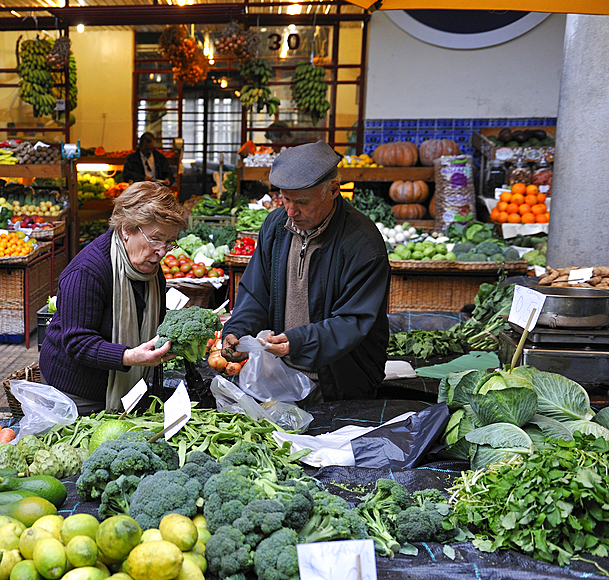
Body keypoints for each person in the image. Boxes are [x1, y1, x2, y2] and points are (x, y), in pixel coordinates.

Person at [221, 141, 390, 403]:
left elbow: (354, 321)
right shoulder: (276, 226)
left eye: (301, 202)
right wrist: (237, 330)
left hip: (340, 383)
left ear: (334, 190)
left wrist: (298, 341)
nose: (291, 211)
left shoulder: (362, 244)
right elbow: (256, 293)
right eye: (285, 199)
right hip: (281, 376)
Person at [39, 182, 186, 413]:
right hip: (76, 393)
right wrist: (130, 356)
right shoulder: (88, 271)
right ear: (126, 229)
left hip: (129, 387)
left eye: (170, 242)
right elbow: (77, 342)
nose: (162, 251)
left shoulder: (151, 272)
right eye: (156, 239)